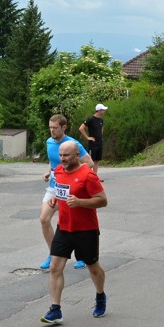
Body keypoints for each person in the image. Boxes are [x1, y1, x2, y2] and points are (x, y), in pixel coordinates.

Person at [41, 140, 108, 324]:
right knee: (55, 267)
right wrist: (56, 199)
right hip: (64, 227)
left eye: (66, 155)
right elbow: (61, 190)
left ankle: (100, 295)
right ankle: (55, 309)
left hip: (86, 230)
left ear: (77, 155)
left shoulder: (88, 175)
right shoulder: (59, 171)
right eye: (60, 155)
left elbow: (103, 200)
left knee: (93, 268)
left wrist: (80, 202)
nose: (62, 159)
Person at [39, 114, 93, 271]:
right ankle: (53, 254)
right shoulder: (49, 142)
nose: (52, 130)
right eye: (50, 127)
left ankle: (81, 256)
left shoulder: (73, 144)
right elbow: (54, 161)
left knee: (73, 222)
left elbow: (89, 163)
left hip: (71, 188)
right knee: (44, 219)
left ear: (64, 127)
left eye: (55, 128)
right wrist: (49, 172)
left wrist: (73, 175)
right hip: (54, 187)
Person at [79, 104, 108, 172]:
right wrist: (87, 137)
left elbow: (101, 128)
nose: (104, 111)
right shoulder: (90, 119)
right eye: (103, 110)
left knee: (97, 160)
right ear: (99, 110)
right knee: (91, 160)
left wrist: (100, 137)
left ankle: (95, 175)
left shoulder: (101, 120)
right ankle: (87, 174)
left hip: (99, 143)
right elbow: (81, 128)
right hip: (93, 144)